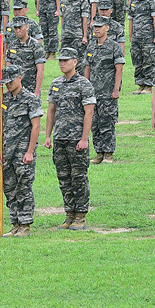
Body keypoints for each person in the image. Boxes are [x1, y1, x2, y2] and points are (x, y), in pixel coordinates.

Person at [44, 47, 96, 231]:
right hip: (60, 138)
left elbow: (89, 112)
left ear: (75, 61)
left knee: (79, 177)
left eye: (65, 60)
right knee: (64, 178)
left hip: (76, 140)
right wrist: (48, 135)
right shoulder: (56, 83)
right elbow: (51, 111)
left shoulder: (84, 84)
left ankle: (80, 215)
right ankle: (69, 213)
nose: (62, 63)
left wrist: (84, 138)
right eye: (60, 60)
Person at [0, 65, 43, 238]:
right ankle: (15, 223)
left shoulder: (30, 99)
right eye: (5, 82)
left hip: (23, 151)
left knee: (24, 187)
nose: (8, 85)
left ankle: (25, 224)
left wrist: (29, 151)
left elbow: (36, 126)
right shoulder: (3, 99)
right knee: (9, 188)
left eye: (10, 81)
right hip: (7, 151)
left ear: (19, 78)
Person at [83, 18, 124, 164]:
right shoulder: (91, 47)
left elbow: (119, 69)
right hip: (94, 92)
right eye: (95, 27)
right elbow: (87, 68)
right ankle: (99, 152)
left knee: (107, 122)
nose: (96, 30)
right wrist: (86, 88)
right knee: (94, 123)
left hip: (108, 92)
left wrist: (116, 89)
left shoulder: (114, 47)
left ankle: (108, 153)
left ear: (107, 28)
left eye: (100, 27)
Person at [127, 0, 155, 95]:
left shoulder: (152, 0)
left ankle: (148, 86)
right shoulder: (133, 0)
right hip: (137, 36)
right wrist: (131, 35)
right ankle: (140, 84)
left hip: (148, 36)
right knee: (137, 60)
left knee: (148, 61)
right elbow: (131, 19)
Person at [5, 16, 46, 97]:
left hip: (30, 89)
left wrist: (37, 91)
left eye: (20, 27)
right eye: (15, 28)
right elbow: (8, 67)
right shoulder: (12, 45)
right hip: (15, 89)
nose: (17, 30)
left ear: (27, 27)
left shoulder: (35, 46)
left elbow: (40, 69)